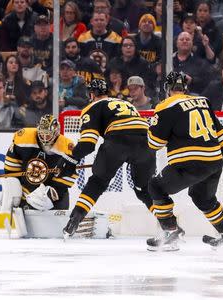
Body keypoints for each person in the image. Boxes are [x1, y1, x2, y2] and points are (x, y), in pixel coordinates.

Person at [145, 71, 223, 251]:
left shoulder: (164, 106)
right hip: (214, 161)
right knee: (202, 198)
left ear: (167, 89)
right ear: (185, 88)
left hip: (188, 163)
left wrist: (152, 126)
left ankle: (170, 231)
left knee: (155, 186)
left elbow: (155, 144)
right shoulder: (203, 101)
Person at [58, 78, 156, 239]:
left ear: (91, 94)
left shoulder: (93, 107)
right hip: (146, 143)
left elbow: (88, 144)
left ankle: (74, 220)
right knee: (143, 189)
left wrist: (70, 159)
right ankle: (170, 225)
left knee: (97, 182)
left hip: (118, 141)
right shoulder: (127, 104)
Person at [0, 114, 78, 214]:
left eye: (48, 134)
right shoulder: (24, 137)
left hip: (51, 193)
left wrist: (53, 192)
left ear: (56, 132)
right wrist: (14, 187)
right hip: (26, 190)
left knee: (55, 208)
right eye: (42, 134)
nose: (45, 138)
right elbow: (11, 168)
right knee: (11, 185)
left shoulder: (67, 146)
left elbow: (69, 175)